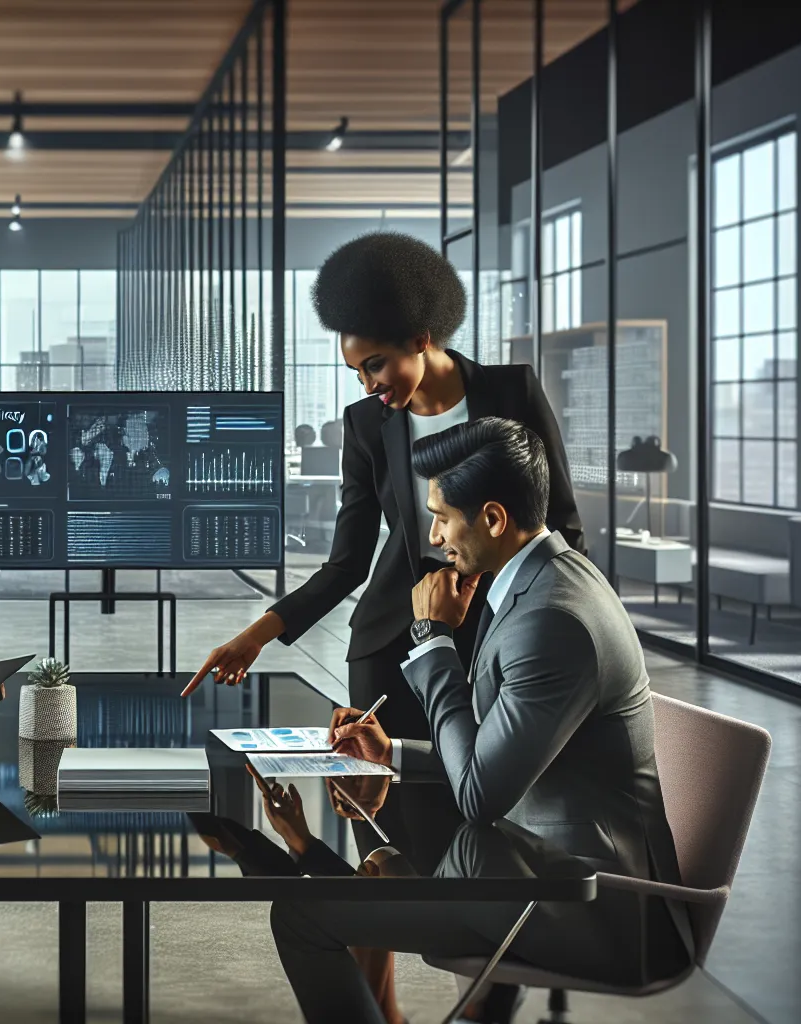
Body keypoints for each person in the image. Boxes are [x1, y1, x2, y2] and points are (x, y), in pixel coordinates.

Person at [266, 418, 690, 1024]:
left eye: (442, 517)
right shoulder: (544, 579)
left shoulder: (553, 620)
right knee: (379, 866)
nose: (434, 536)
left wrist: (432, 638)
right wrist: (392, 754)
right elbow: (496, 749)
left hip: (595, 910)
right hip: (533, 865)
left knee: (303, 913)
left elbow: (478, 795)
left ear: (492, 518)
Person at [184, 232, 584, 747]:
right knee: (380, 782)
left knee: (485, 782)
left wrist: (573, 625)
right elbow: (347, 563)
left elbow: (561, 524)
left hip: (500, 623)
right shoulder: (366, 425)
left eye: (374, 364)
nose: (368, 384)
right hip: (392, 635)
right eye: (356, 372)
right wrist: (255, 636)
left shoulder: (512, 392)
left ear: (420, 337)